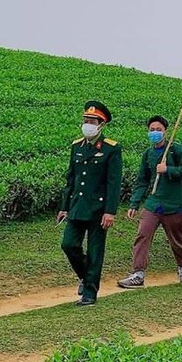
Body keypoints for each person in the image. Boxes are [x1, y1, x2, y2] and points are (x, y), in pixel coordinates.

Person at [59, 100, 122, 306]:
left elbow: (114, 183)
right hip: (78, 205)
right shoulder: (76, 146)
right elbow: (71, 178)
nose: (88, 123)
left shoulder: (111, 149)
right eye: (86, 120)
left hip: (98, 208)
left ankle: (90, 293)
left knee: (95, 252)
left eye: (92, 121)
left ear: (101, 124)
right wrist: (64, 206)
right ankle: (87, 277)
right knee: (68, 244)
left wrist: (110, 211)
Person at [119, 116, 182, 288]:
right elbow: (142, 180)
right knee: (143, 234)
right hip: (154, 203)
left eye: (158, 129)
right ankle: (138, 273)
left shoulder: (176, 150)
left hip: (174, 203)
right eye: (152, 129)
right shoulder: (148, 154)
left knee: (177, 238)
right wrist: (134, 204)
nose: (155, 132)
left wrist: (168, 169)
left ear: (165, 131)